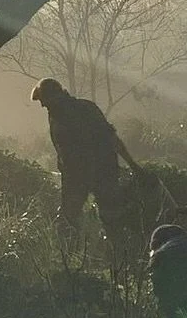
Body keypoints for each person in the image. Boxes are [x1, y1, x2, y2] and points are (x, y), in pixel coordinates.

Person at [30, 77, 138, 244]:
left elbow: (111, 139)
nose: (43, 106)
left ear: (54, 96)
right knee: (78, 221)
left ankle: (110, 258)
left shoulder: (78, 111)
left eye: (44, 101)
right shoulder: (74, 110)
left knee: (101, 220)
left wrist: (133, 165)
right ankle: (90, 257)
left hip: (93, 174)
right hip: (90, 174)